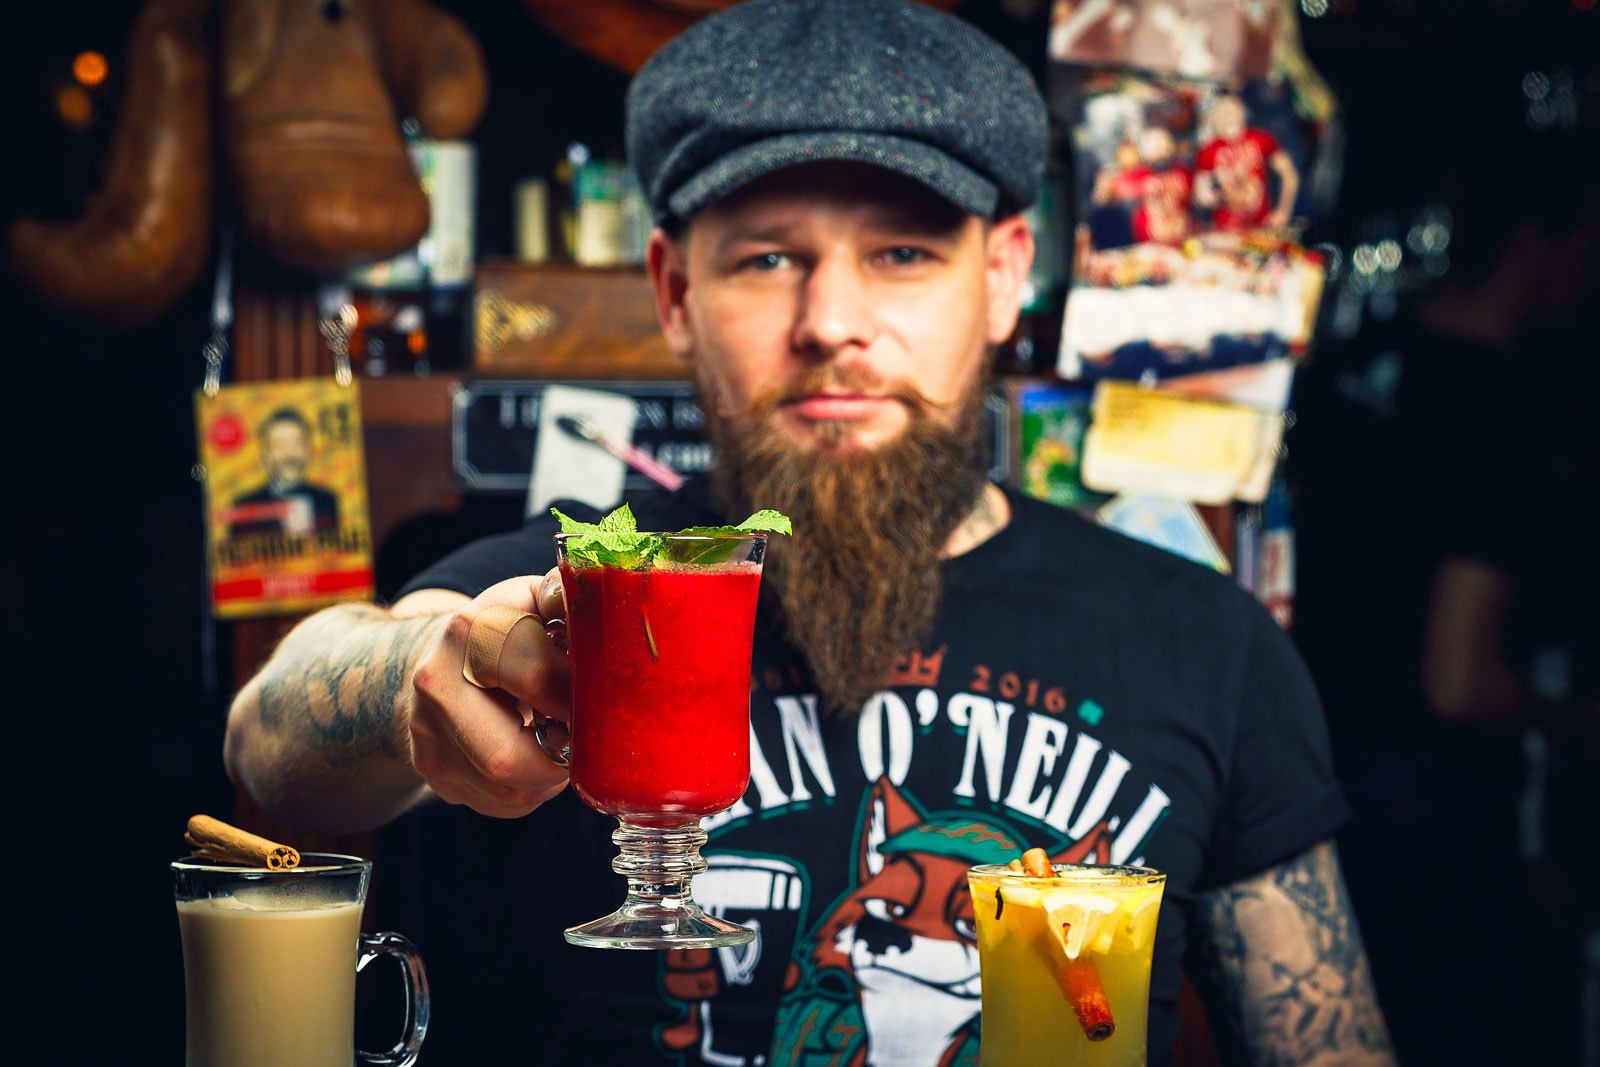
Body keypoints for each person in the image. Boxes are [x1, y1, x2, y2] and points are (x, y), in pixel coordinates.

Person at [224, 2, 1394, 1064]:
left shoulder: (1206, 643)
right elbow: (268, 734)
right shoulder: (577, 588)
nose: (831, 321)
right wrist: (412, 675)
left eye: (903, 253)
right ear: (675, 292)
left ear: (1002, 278)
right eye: (769, 257)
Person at [1291, 130, 1600, 1066]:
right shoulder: (1500, 413)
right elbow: (1459, 680)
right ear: (1538, 239)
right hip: (1424, 808)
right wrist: (1573, 719)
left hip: (1310, 778)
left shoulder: (1354, 361)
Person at [228, 405, 341, 538]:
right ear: (265, 456)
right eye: (279, 445)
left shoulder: (328, 500)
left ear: (309, 451)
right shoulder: (244, 507)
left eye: (298, 443)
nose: (290, 453)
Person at [1193, 92, 1298, 232]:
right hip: (1224, 229)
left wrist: (1284, 212)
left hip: (1262, 226)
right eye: (1221, 110)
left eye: (1231, 109)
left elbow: (1289, 175)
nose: (1226, 114)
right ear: (1214, 116)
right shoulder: (1207, 149)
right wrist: (1222, 190)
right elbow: (1201, 196)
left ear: (1242, 111)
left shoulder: (1262, 138)